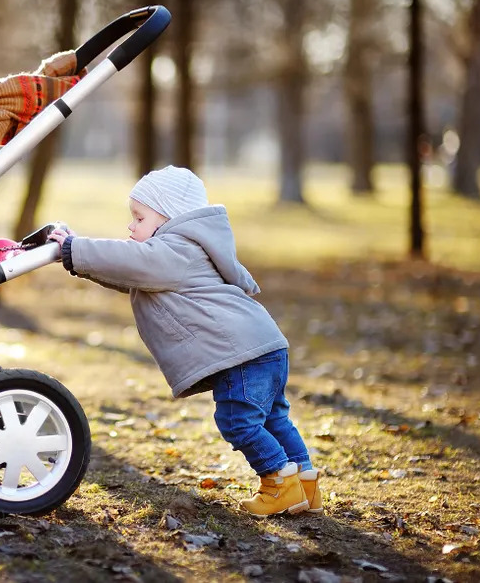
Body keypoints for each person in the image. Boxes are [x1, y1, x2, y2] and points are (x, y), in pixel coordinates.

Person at [47, 166, 319, 516]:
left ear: (169, 218)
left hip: (241, 355)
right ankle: (306, 489)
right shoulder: (178, 254)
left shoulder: (177, 248)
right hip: (264, 347)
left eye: (139, 218)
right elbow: (128, 272)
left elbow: (133, 263)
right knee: (273, 420)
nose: (131, 226)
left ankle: (279, 483)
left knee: (240, 423)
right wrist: (75, 255)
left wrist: (75, 248)